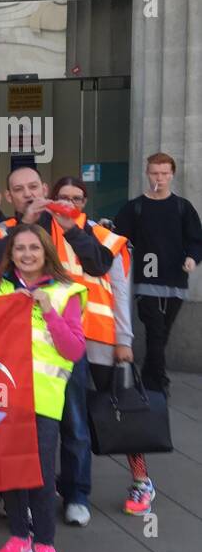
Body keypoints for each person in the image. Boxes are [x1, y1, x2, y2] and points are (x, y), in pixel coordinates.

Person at [0, 167, 115, 526]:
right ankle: (20, 497)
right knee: (18, 429)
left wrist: (70, 226)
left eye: (33, 187)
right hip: (15, 353)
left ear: (44, 188)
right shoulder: (3, 231)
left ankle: (76, 494)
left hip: (63, 346)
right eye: (18, 190)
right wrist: (22, 226)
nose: (28, 193)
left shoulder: (73, 223)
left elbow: (99, 263)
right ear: (10, 197)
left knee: (74, 424)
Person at [0, 225, 87, 552]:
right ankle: (18, 536)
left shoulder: (66, 292)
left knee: (40, 476)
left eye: (34, 248)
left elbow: (73, 349)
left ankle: (45, 544)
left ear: (46, 253)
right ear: (10, 255)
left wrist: (49, 313)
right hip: (4, 397)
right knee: (10, 472)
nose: (26, 255)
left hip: (43, 399)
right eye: (19, 249)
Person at [52, 177, 159, 519]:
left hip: (101, 338)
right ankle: (70, 480)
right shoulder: (44, 234)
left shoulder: (105, 237)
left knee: (123, 409)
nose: (70, 203)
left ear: (85, 202)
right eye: (64, 197)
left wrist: (124, 341)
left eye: (77, 198)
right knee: (72, 416)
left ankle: (141, 480)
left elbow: (121, 290)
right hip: (62, 341)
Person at [113, 152, 202, 397]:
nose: (159, 178)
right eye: (155, 173)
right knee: (155, 329)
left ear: (172, 175)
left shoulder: (182, 207)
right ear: (147, 174)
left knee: (163, 331)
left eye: (164, 173)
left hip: (175, 279)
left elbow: (196, 240)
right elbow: (118, 238)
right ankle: (159, 383)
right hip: (145, 280)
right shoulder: (135, 207)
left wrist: (192, 258)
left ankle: (151, 377)